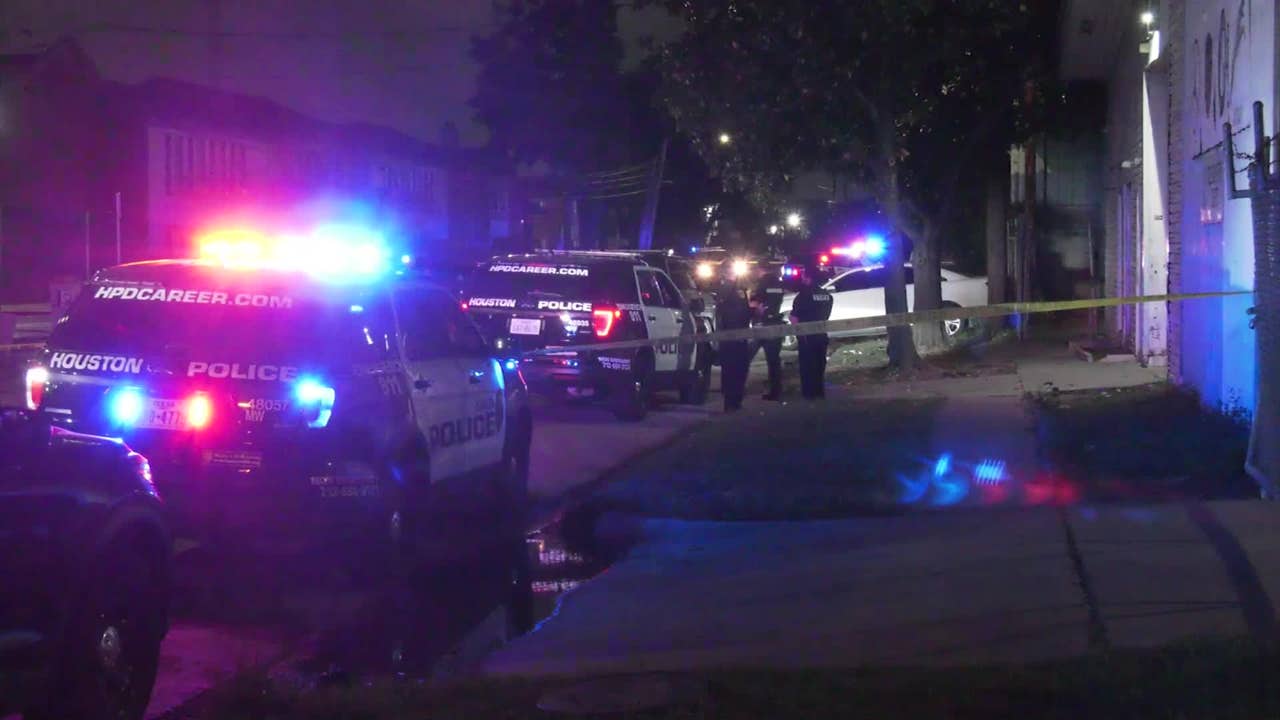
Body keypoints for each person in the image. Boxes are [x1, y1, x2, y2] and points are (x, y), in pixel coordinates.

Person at [789, 264, 834, 399]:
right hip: (822, 335)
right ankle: (819, 392)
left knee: (807, 365)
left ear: (808, 278)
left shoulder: (803, 296)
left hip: (806, 337)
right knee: (820, 364)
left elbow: (794, 317)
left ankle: (809, 393)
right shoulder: (827, 295)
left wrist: (797, 330)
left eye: (803, 276)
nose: (802, 279)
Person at [715, 276, 753, 412]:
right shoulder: (732, 295)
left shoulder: (729, 295)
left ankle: (732, 402)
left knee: (732, 371)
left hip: (731, 340)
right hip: (735, 340)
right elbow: (741, 316)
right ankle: (733, 402)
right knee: (736, 371)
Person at [749, 266, 787, 400]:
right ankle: (776, 391)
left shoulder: (761, 284)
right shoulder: (779, 284)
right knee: (773, 360)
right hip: (775, 324)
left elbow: (755, 304)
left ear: (760, 270)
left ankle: (736, 388)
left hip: (761, 325)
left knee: (746, 356)